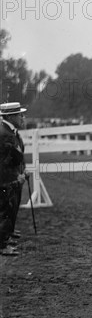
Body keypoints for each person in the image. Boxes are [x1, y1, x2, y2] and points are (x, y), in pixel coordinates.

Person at [0, 102, 27, 256]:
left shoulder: (10, 131)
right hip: (6, 178)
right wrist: (18, 175)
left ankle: (6, 236)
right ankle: (2, 244)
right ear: (10, 116)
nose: (22, 117)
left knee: (9, 209)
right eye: (19, 115)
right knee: (5, 210)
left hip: (11, 176)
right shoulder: (5, 134)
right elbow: (11, 158)